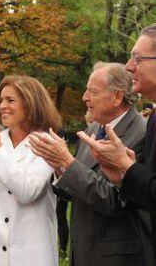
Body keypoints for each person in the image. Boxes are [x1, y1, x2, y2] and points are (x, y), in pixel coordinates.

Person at [29, 62, 154, 266]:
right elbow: (78, 190)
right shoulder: (93, 129)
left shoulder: (142, 134)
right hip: (84, 253)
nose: (84, 97)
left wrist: (68, 162)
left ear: (117, 96)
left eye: (92, 91)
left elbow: (117, 201)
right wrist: (58, 166)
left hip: (120, 257)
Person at [77, 24, 156, 259]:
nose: (129, 67)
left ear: (117, 97)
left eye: (137, 58)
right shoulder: (152, 122)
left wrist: (127, 168)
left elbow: (118, 203)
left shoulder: (141, 129)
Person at [0, 75, 61, 266]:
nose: (2, 106)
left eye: (10, 100)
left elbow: (27, 191)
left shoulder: (46, 143)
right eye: (1, 100)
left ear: (31, 104)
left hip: (27, 251)